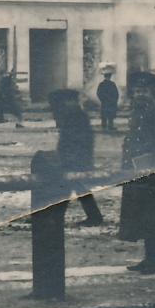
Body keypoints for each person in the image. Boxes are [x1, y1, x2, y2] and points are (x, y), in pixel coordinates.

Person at [118, 71, 155, 273]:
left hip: (152, 172)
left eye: (143, 90)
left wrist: (153, 165)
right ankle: (148, 259)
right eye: (136, 91)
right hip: (137, 169)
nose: (139, 94)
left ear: (152, 91)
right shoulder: (139, 110)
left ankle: (154, 261)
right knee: (143, 216)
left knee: (153, 217)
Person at [48, 89, 106, 226]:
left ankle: (58, 217)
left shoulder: (75, 116)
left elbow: (77, 140)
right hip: (75, 158)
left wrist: (68, 158)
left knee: (68, 187)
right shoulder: (75, 114)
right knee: (77, 187)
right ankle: (93, 216)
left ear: (70, 101)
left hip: (74, 159)